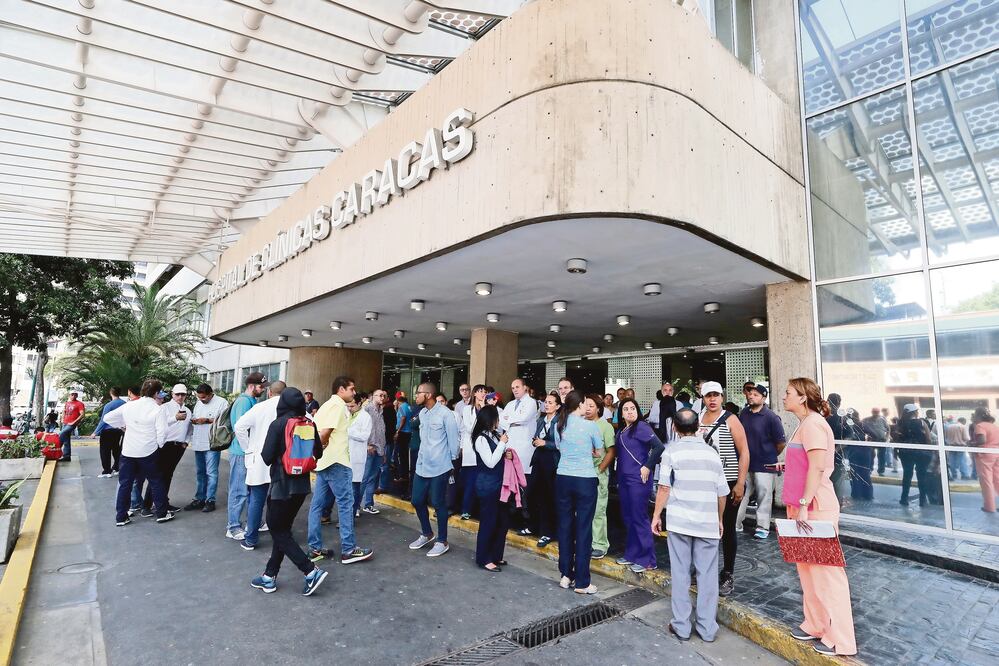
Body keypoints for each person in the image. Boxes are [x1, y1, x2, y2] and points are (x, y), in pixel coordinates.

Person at [781, 378, 857, 656]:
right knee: (808, 571)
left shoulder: (813, 424)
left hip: (814, 507)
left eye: (788, 393)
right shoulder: (805, 424)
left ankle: (841, 639)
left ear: (802, 398)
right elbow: (807, 464)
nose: (784, 396)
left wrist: (803, 503)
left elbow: (816, 469)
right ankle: (815, 624)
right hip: (802, 506)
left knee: (826, 574)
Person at [651, 408, 728, 643]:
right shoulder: (712, 454)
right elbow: (721, 492)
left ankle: (682, 626)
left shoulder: (671, 452)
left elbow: (664, 487)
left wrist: (656, 515)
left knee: (681, 573)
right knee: (707, 577)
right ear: (698, 427)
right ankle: (707, 629)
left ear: (674, 427)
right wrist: (719, 519)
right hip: (707, 523)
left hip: (680, 522)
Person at [250, 387, 329, 596]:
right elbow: (318, 453)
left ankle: (310, 571)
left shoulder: (278, 424)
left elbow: (267, 457)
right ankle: (269, 576)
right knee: (283, 530)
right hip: (302, 486)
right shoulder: (309, 423)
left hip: (281, 487)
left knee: (278, 530)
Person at [308, 376, 373, 564]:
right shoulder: (337, 406)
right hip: (337, 462)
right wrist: (322, 446)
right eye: (351, 389)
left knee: (317, 506)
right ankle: (349, 549)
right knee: (346, 504)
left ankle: (315, 549)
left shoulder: (326, 406)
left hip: (324, 463)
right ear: (341, 389)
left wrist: (318, 453)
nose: (354, 393)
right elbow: (324, 433)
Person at [697, 381, 748, 597]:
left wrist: (740, 482)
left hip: (727, 482)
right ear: (703, 397)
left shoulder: (731, 419)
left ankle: (727, 573)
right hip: (703, 483)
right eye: (709, 395)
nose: (713, 399)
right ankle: (704, 571)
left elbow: (744, 451)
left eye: (716, 395)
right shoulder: (697, 418)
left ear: (722, 396)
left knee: (726, 528)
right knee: (704, 529)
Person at [553, 390, 604, 594]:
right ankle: (582, 582)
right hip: (585, 479)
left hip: (563, 478)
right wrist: (590, 451)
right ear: (580, 404)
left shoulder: (559, 424)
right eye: (585, 403)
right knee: (583, 529)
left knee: (565, 526)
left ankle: (566, 575)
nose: (587, 407)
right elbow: (599, 452)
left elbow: (559, 448)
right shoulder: (591, 426)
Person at [103, 379, 173, 526]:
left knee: (125, 484)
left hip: (128, 451)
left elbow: (107, 418)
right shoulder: (157, 409)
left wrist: (122, 426)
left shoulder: (129, 405)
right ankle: (161, 513)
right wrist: (159, 444)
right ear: (156, 393)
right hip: (148, 451)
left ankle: (121, 517)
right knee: (156, 482)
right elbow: (163, 431)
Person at [408, 382, 459, 557]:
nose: (416, 396)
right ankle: (427, 533)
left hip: (440, 466)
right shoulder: (422, 413)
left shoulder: (446, 414)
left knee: (438, 503)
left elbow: (454, 441)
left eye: (418, 393)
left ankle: (442, 541)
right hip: (422, 465)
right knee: (416, 500)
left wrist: (452, 463)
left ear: (428, 395)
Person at [234, 381, 285, 550]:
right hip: (283, 461)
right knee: (280, 500)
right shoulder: (293, 409)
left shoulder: (260, 407)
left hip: (259, 460)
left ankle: (251, 539)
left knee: (256, 498)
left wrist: (247, 447)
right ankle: (282, 537)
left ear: (270, 392)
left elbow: (239, 426)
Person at [616, 398, 663, 573]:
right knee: (628, 517)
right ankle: (631, 554)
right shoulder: (622, 430)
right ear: (621, 413)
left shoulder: (642, 427)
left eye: (633, 408)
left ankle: (648, 560)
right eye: (626, 409)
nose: (630, 411)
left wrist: (647, 466)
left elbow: (658, 447)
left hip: (638, 479)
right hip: (624, 478)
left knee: (639, 517)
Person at [736, 384, 786, 538]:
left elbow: (780, 443)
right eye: (750, 394)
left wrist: (769, 454)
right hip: (746, 462)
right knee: (740, 494)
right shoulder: (743, 414)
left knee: (764, 495)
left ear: (764, 398)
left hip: (766, 464)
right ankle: (736, 524)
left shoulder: (771, 417)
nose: (751, 396)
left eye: (756, 394)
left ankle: (762, 527)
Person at [226, 372, 268, 540]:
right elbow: (240, 428)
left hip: (246, 453)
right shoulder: (244, 401)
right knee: (238, 491)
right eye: (261, 386)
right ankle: (233, 526)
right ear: (252, 386)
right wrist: (248, 449)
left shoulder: (251, 401)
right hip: (241, 453)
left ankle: (254, 522)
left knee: (250, 489)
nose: (263, 390)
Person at [471, 404, 511, 572]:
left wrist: (505, 451)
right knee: (489, 522)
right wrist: (502, 445)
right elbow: (490, 462)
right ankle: (484, 558)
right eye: (496, 418)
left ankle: (496, 555)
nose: (498, 421)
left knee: (502, 522)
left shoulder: (493, 435)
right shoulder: (480, 439)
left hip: (499, 485)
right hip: (487, 486)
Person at [142, 384, 192, 514]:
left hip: (179, 446)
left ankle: (163, 502)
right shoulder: (164, 408)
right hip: (165, 445)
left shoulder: (188, 410)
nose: (180, 397)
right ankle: (146, 505)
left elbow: (189, 429)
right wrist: (175, 418)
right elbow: (158, 424)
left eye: (183, 394)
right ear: (172, 394)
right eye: (178, 394)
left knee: (168, 475)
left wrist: (186, 442)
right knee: (158, 476)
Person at [502, 379, 539, 534]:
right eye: (512, 387)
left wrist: (510, 421)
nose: (515, 389)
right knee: (511, 484)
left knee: (524, 487)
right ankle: (513, 518)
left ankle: (527, 521)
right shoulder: (510, 404)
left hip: (524, 450)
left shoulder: (531, 403)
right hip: (510, 447)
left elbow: (523, 419)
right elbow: (501, 422)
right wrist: (511, 421)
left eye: (517, 387)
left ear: (525, 387)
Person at [185, 383, 228, 513]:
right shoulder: (199, 403)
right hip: (198, 442)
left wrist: (208, 420)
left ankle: (210, 500)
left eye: (203, 398)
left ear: (210, 394)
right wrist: (194, 420)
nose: (201, 400)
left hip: (212, 443)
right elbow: (194, 417)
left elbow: (225, 421)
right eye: (199, 397)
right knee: (200, 472)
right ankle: (200, 498)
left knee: (211, 473)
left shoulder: (222, 402)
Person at [584, 394, 615, 559]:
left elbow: (611, 451)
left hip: (598, 473)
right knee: (583, 510)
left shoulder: (605, 426)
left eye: (591, 405)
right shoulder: (581, 424)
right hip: (582, 473)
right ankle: (586, 541)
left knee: (598, 510)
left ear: (598, 408)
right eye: (586, 405)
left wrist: (601, 469)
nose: (588, 408)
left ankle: (600, 544)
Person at [530, 391, 561, 547]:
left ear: (557, 406)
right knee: (536, 495)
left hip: (552, 463)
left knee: (551, 497)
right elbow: (536, 437)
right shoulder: (541, 420)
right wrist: (535, 441)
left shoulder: (560, 421)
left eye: (550, 402)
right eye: (546, 402)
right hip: (539, 461)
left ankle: (550, 532)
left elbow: (561, 444)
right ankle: (539, 528)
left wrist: (545, 444)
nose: (546, 405)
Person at [894, 404, 935, 507]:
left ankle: (904, 498)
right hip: (921, 453)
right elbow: (928, 438)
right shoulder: (922, 422)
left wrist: (895, 451)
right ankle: (922, 499)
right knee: (922, 476)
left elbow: (896, 439)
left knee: (907, 475)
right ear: (915, 412)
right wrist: (930, 450)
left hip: (906, 453)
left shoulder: (900, 424)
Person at [456, 385, 486, 520]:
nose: (482, 394)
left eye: (485, 392)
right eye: (480, 391)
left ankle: (479, 510)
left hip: (484, 450)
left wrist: (485, 407)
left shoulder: (487, 409)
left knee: (482, 482)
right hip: (471, 450)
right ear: (474, 394)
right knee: (470, 482)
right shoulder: (468, 409)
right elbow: (469, 427)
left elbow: (490, 425)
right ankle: (466, 509)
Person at [360, 389, 387, 514]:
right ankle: (355, 507)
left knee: (372, 478)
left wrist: (384, 451)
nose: (382, 397)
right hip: (369, 449)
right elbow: (359, 427)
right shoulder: (367, 409)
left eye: (384, 396)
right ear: (373, 397)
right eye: (380, 395)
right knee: (364, 478)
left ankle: (368, 504)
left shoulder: (381, 411)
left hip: (379, 449)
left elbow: (381, 432)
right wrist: (366, 445)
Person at [347, 394, 373, 517]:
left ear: (359, 404)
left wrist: (348, 431)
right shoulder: (346, 414)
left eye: (352, 406)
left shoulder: (365, 417)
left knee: (354, 488)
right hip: (344, 456)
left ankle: (351, 515)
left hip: (356, 456)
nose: (349, 408)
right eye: (348, 406)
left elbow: (364, 436)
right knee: (345, 490)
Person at [971, 407, 999, 513]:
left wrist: (972, 444)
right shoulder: (994, 426)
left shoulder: (979, 426)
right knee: (997, 479)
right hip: (997, 453)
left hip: (985, 455)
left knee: (986, 482)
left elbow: (982, 441)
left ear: (978, 416)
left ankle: (989, 507)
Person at [93, 387, 126, 477]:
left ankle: (107, 471)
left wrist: (95, 432)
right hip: (119, 430)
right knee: (116, 449)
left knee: (105, 451)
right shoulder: (124, 403)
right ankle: (118, 468)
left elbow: (104, 420)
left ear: (111, 393)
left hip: (107, 431)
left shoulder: (109, 405)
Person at [393, 395, 414, 495]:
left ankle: (402, 476)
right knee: (404, 454)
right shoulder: (408, 406)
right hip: (408, 432)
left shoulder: (402, 407)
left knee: (401, 455)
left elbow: (403, 418)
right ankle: (404, 474)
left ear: (398, 400)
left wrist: (398, 431)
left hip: (403, 432)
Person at [862, 407, 892, 475]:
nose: (876, 413)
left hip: (882, 440)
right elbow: (862, 426)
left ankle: (881, 471)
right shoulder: (867, 420)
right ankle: (870, 469)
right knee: (871, 455)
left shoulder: (882, 419)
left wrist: (887, 437)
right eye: (874, 412)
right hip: (872, 440)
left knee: (882, 456)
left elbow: (888, 429)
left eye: (877, 412)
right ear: (872, 412)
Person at [58, 391, 85, 462]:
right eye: (72, 394)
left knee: (61, 434)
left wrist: (74, 422)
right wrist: (62, 419)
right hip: (65, 423)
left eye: (75, 395)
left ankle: (55, 450)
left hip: (72, 424)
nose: (73, 396)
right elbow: (64, 411)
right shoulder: (67, 403)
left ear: (77, 396)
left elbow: (82, 414)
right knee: (66, 440)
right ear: (69, 395)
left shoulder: (79, 404)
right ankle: (67, 456)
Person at [944, 415, 971, 481]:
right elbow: (966, 438)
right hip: (960, 446)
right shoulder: (962, 427)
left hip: (951, 446)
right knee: (962, 461)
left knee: (952, 461)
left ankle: (954, 474)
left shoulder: (949, 427)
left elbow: (946, 437)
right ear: (963, 421)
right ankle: (965, 475)